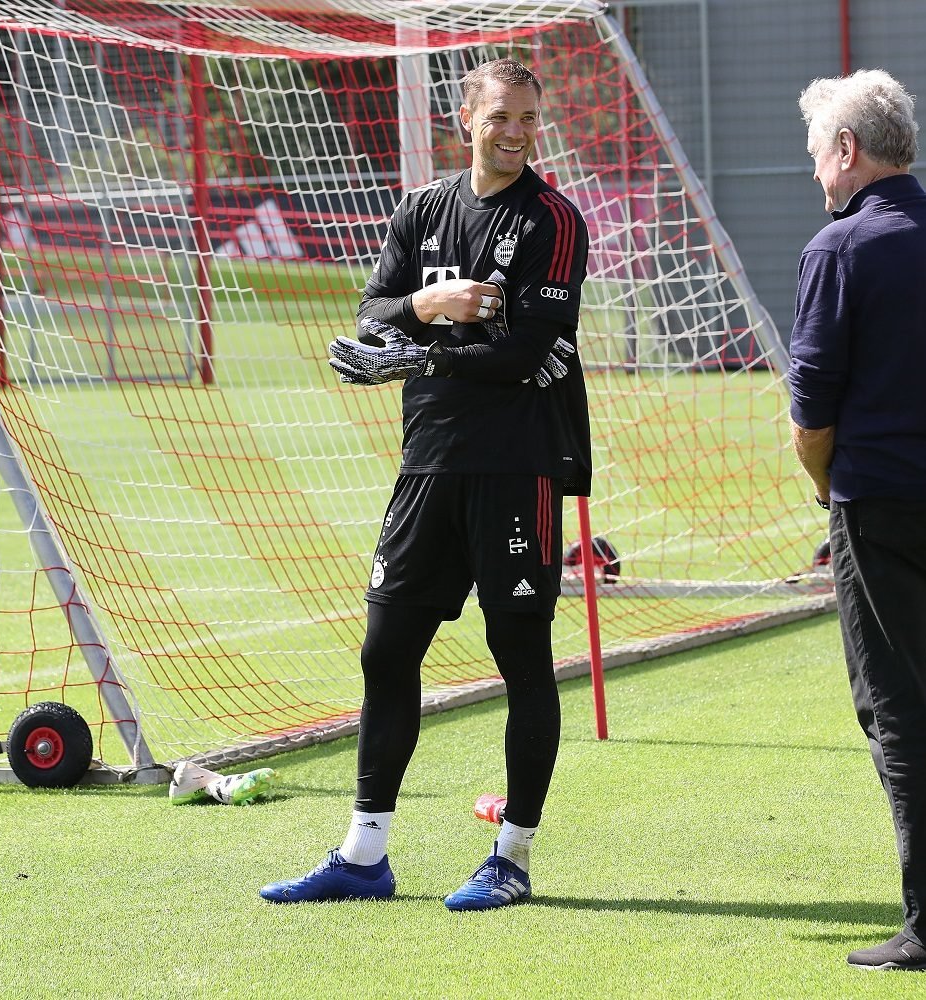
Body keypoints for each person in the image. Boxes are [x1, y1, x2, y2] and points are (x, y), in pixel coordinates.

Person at [258, 58, 590, 912]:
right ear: (465, 119)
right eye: (499, 117)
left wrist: (422, 353)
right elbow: (371, 312)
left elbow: (528, 353)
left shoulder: (555, 220)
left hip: (519, 469)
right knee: (385, 651)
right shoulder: (423, 210)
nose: (514, 132)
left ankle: (511, 857)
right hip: (428, 463)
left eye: (527, 117)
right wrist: (430, 311)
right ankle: (365, 854)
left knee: (518, 656)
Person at [786, 70, 926, 975]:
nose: (816, 178)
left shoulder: (839, 250)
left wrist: (825, 483)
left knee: (896, 709)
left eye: (817, 158)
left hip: (882, 498)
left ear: (848, 150)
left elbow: (810, 416)